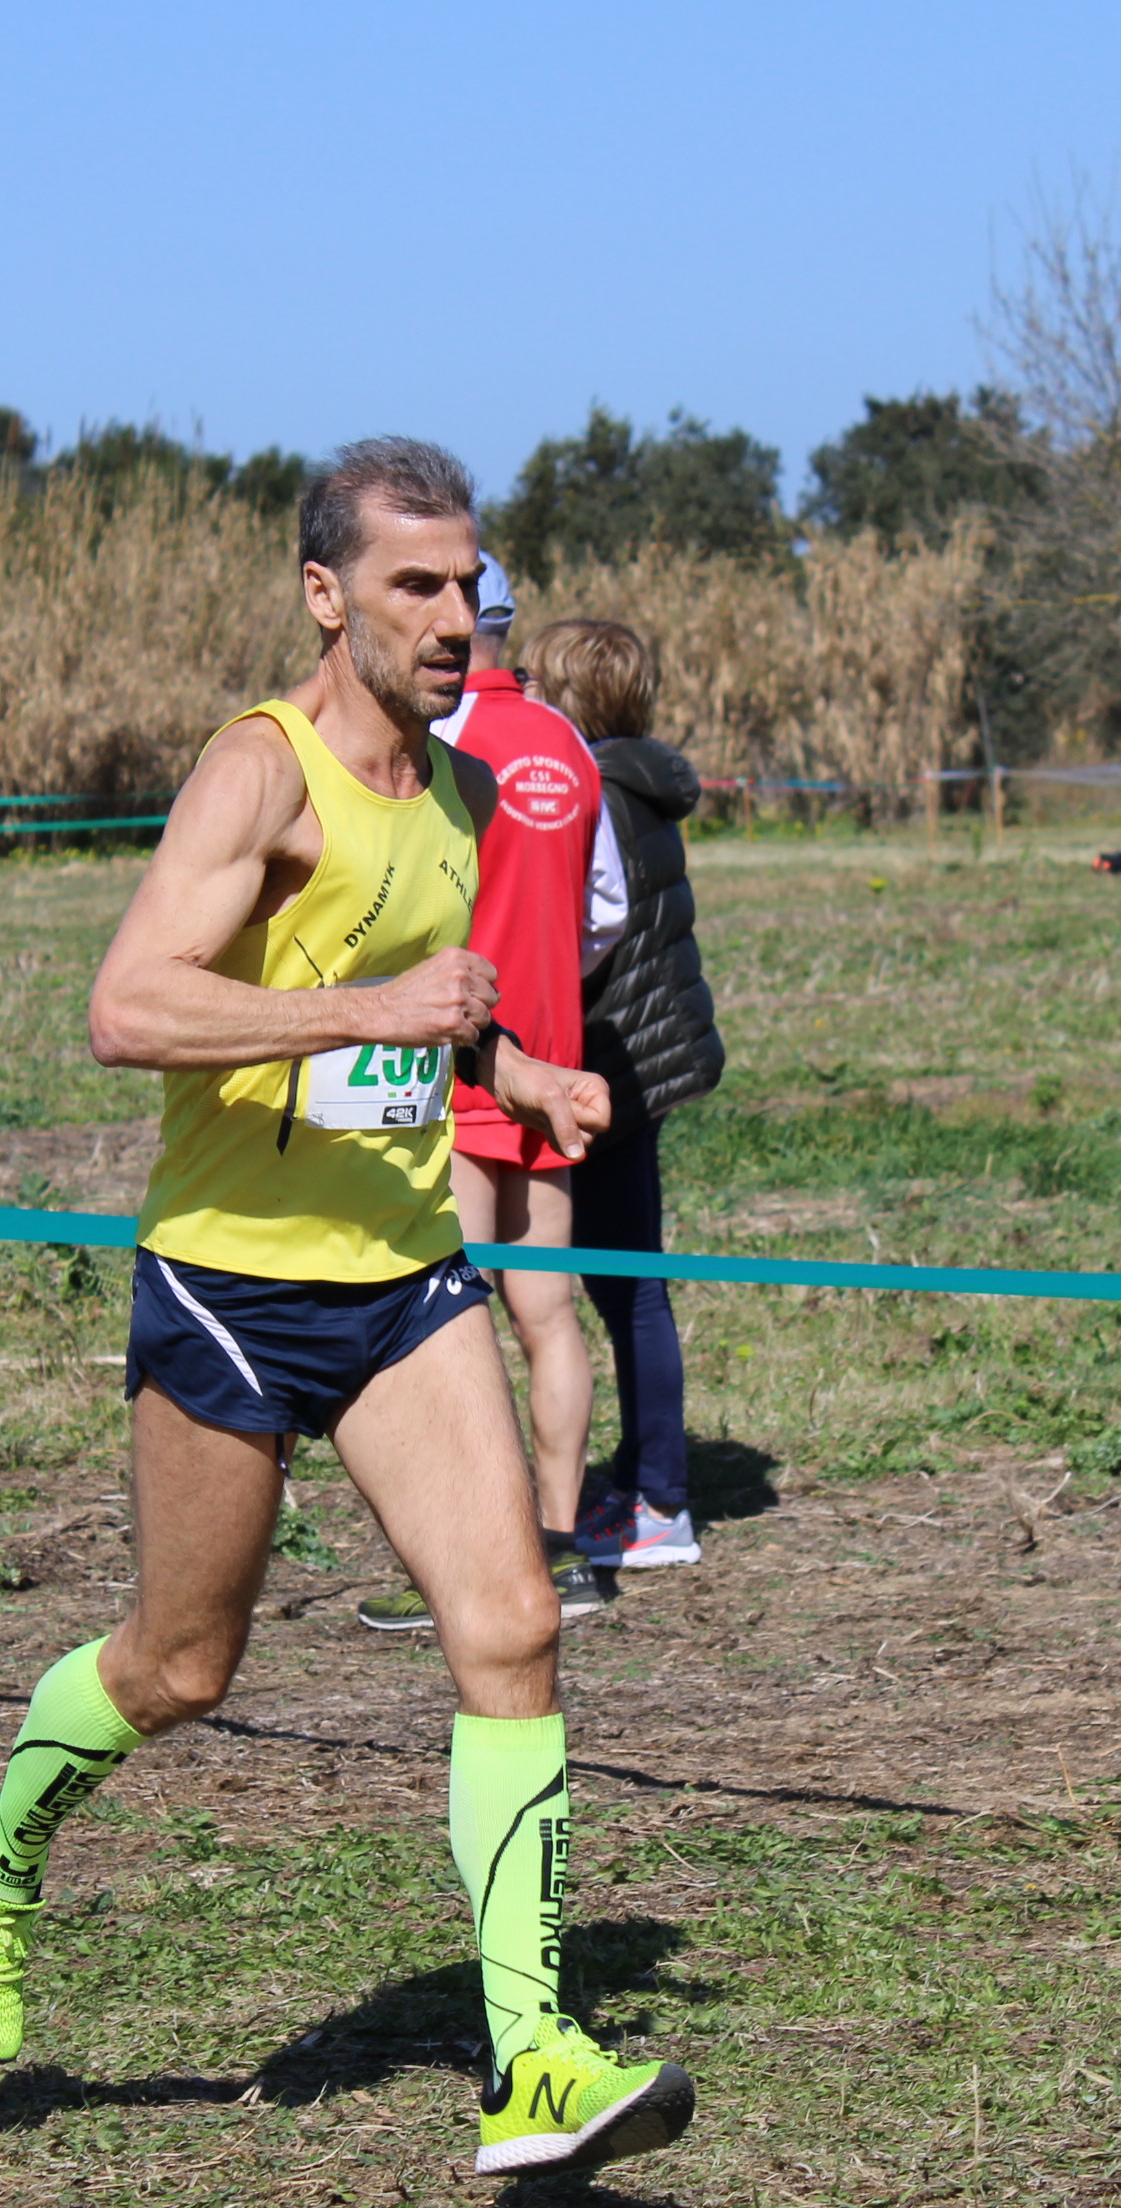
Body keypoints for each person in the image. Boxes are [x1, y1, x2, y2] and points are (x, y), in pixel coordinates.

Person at [0, 438, 696, 2180]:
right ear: (327, 594)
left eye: (469, 583)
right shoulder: (255, 773)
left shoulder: (460, 795)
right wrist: (368, 1008)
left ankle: (531, 2059)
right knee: (181, 1665)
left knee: (514, 1624)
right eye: (416, 585)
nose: (455, 617)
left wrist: (519, 1070)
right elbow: (129, 1009)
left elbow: (432, 1007)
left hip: (403, 1281)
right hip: (229, 1285)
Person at [350, 551, 607, 1631]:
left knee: (445, 1320)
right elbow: (606, 913)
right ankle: (563, 1546)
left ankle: (478, 1561)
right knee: (548, 1313)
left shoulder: (434, 745)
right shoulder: (569, 744)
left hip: (462, 1060)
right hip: (554, 1061)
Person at [517, 615, 721, 1572]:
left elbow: (589, 931)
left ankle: (660, 1504)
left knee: (628, 1286)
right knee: (621, 1281)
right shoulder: (638, 780)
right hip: (644, 1052)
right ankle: (644, 1475)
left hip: (618, 1060)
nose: (523, 692)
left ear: (568, 698)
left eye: (536, 681)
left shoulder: (587, 788)